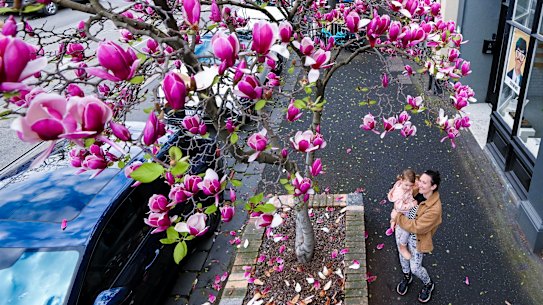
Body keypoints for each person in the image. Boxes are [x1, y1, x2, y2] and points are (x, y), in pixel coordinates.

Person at [391, 170, 442, 303]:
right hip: (401, 227)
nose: (419, 184)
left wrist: (397, 217)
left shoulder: (435, 209)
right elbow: (401, 192)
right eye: (420, 181)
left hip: (417, 237)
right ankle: (407, 276)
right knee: (403, 257)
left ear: (433, 186)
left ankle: (428, 284)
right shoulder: (416, 188)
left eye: (424, 183)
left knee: (415, 267)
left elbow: (416, 227)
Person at [387, 169, 418, 260]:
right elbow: (400, 207)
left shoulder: (403, 184)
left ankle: (393, 222)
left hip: (401, 211)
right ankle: (402, 246)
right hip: (401, 212)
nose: (409, 187)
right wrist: (412, 204)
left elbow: (412, 184)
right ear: (401, 181)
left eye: (411, 185)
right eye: (407, 185)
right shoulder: (399, 194)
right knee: (406, 229)